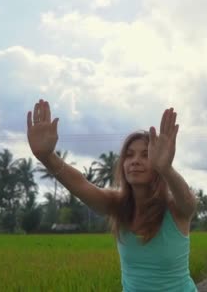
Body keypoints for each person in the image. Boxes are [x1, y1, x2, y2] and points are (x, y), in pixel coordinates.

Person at [27, 99, 198, 291]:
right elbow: (80, 184)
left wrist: (166, 169)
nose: (135, 161)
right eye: (129, 155)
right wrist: (47, 157)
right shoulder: (116, 204)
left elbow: (189, 202)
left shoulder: (175, 208)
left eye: (145, 155)